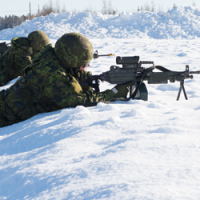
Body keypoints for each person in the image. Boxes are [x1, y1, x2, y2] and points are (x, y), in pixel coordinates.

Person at [0, 32, 133, 128]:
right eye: (84, 64)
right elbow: (76, 101)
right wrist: (113, 93)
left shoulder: (52, 58)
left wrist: (79, 78)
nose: (87, 67)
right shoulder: (52, 73)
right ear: (70, 60)